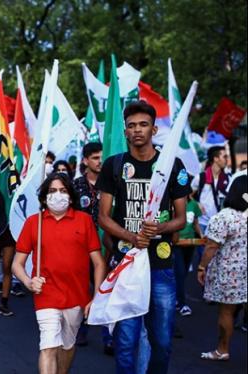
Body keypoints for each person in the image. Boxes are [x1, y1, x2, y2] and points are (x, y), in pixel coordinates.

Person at [96, 100, 191, 373]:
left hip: (160, 266)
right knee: (125, 341)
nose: (137, 130)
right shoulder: (114, 165)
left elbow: (181, 219)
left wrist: (158, 229)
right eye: (132, 126)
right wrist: (132, 236)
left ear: (154, 129)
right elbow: (103, 217)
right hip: (125, 264)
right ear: (125, 131)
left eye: (143, 125)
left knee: (161, 341)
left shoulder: (172, 164)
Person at [12, 173, 106, 374]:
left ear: (71, 196)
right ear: (44, 197)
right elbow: (17, 264)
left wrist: (97, 295)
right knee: (48, 346)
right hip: (46, 294)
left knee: (67, 345)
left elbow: (98, 263)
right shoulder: (33, 223)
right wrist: (28, 282)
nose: (58, 195)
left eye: (63, 191)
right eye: (52, 191)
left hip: (77, 296)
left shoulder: (84, 221)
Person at [197, 175, 247, 361]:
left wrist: (201, 267)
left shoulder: (224, 217)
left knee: (227, 312)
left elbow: (211, 246)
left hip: (229, 272)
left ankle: (222, 350)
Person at [72, 142, 111, 351]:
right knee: (83, 290)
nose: (100, 161)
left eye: (102, 157)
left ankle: (108, 336)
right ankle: (81, 329)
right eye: (95, 157)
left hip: (107, 246)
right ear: (86, 160)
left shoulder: (111, 184)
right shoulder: (76, 186)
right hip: (82, 247)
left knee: (105, 289)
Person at [173, 178, 203, 317]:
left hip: (190, 243)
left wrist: (201, 235)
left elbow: (196, 223)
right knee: (179, 272)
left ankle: (176, 297)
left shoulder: (193, 205)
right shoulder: (172, 203)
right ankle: (181, 303)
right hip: (177, 244)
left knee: (184, 272)